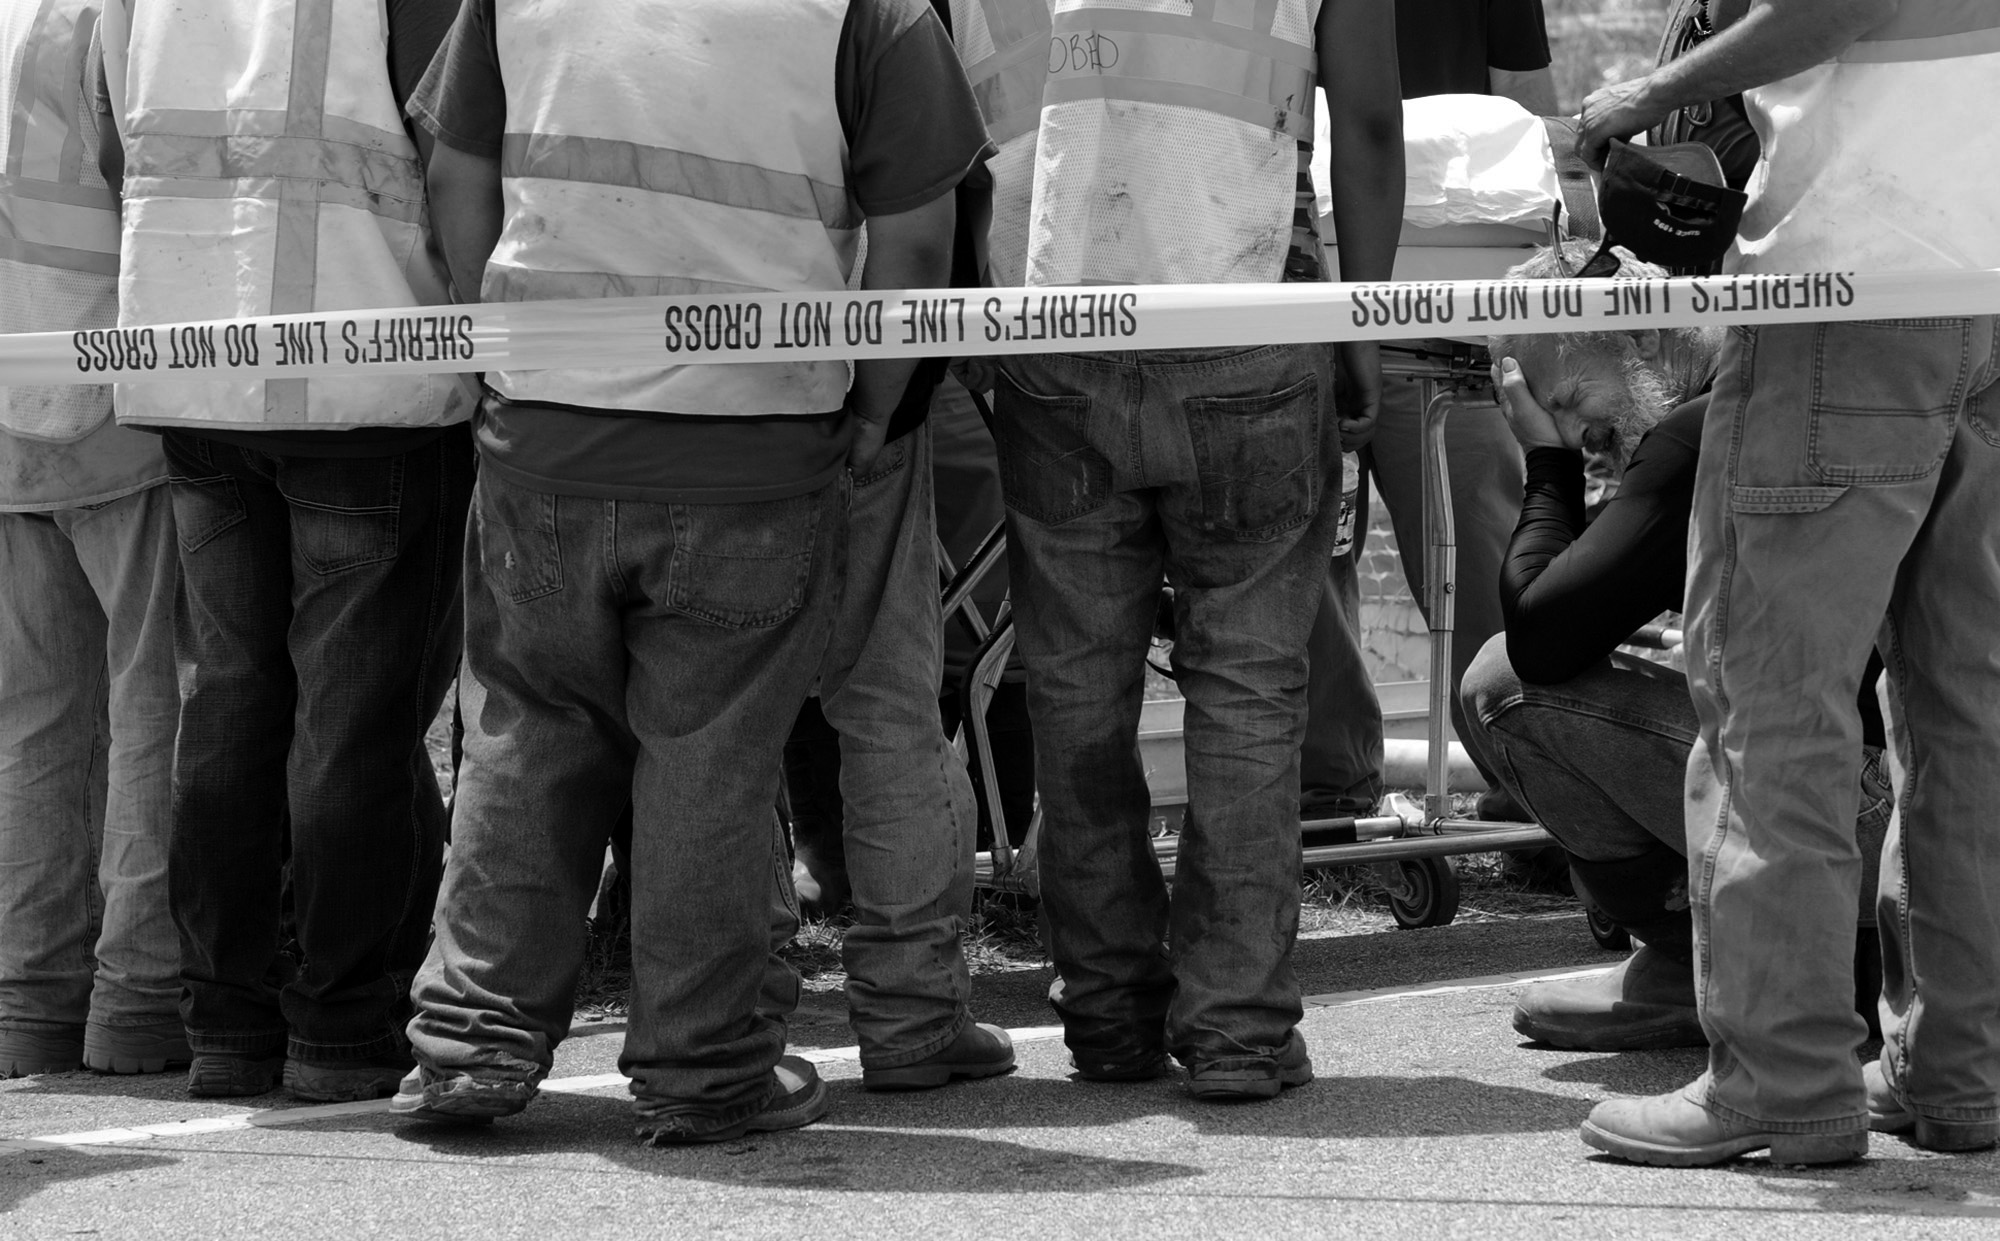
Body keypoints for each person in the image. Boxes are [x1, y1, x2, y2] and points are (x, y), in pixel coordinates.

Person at [396, 0, 992, 1141]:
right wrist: (869, 408)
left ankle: (472, 1043)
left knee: (526, 738)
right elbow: (918, 245)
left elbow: (454, 178)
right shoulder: (873, 12)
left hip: (549, 440)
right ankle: (703, 1064)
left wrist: (511, 346)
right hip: (754, 450)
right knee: (711, 759)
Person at [1573, 0, 2000, 1165]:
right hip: (1985, 283)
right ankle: (1960, 1066)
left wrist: (1644, 98)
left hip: (1851, 285)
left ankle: (1778, 1075)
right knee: (1964, 709)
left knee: (1772, 702)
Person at [996, 0, 1403, 1099]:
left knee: (1076, 689)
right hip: (1244, 333)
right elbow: (1365, 125)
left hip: (1054, 332)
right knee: (1248, 687)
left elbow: (973, 113)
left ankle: (1110, 1017)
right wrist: (1362, 324)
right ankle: (1235, 1027)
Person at [97, 0, 475, 1103]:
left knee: (228, 704)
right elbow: (451, 146)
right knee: (349, 723)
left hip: (196, 366)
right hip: (366, 375)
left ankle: (229, 1023)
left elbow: (134, 135)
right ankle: (344, 1026)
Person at [1463, 243, 1890, 1054]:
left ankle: (1700, 965)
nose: (1586, 436)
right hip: (1923, 814)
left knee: (1500, 682)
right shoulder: (1794, 377)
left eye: (1567, 402)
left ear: (1648, 346)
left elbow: (1542, 634)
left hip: (1856, 813)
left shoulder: (1700, 433)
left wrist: (1545, 464)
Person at [1301, 0, 1555, 824]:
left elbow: (1528, 109)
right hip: (1419, 280)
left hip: (1388, 277)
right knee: (1330, 552)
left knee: (1469, 556)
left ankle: (1541, 783)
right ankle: (1541, 788)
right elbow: (1533, 107)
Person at [0, 0, 184, 1078]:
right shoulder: (104, 13)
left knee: (35, 720)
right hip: (116, 410)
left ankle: (28, 998)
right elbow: (154, 197)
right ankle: (137, 996)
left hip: (12, 414)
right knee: (150, 699)